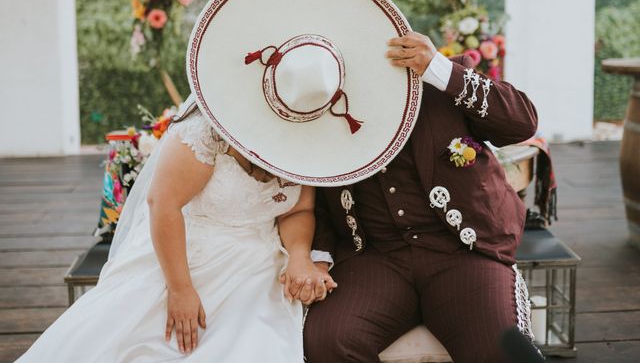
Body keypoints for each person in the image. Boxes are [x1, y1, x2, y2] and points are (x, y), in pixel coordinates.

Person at [16, 96, 335, 362]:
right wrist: (180, 290)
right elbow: (163, 204)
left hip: (258, 270)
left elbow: (299, 209)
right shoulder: (204, 134)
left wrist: (298, 254)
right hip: (183, 258)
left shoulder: (304, 140)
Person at [304, 31, 540, 363]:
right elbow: (314, 189)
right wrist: (319, 255)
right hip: (376, 258)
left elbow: (522, 124)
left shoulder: (442, 77)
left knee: (499, 349)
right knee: (328, 341)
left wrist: (439, 70)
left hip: (464, 253)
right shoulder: (324, 108)